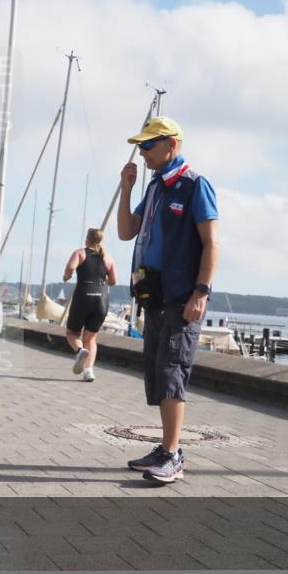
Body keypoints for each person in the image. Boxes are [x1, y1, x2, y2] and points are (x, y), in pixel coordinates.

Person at [116, 116, 219, 485]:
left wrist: (201, 292)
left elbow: (211, 243)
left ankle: (173, 456)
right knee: (159, 374)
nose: (142, 152)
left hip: (181, 296)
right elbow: (127, 232)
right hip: (154, 296)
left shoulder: (194, 186)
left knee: (173, 373)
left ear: (171, 144)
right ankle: (165, 448)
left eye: (148, 145)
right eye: (141, 146)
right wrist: (127, 189)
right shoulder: (157, 187)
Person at [62, 228, 118, 382]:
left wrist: (66, 277)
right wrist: (101, 282)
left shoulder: (80, 253)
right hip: (101, 298)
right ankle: (89, 372)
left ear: (87, 238)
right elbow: (113, 281)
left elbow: (70, 268)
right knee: (91, 338)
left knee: (72, 333)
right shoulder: (107, 257)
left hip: (83, 295)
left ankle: (80, 351)